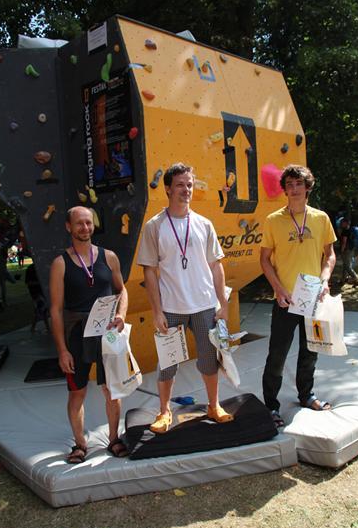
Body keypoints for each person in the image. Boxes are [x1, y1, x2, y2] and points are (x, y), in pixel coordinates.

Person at [137, 162, 233, 434]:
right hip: (171, 308)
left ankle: (214, 406)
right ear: (168, 189)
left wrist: (223, 303)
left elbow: (216, 265)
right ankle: (164, 411)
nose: (186, 190)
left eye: (189, 184)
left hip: (204, 306)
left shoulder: (204, 224)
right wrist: (157, 311)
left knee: (209, 359)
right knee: (168, 364)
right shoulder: (155, 226)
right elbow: (149, 271)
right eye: (180, 185)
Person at [49, 206, 128, 463]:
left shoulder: (109, 257)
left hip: (107, 334)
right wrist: (62, 350)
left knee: (111, 390)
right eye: (79, 223)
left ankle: (114, 438)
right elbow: (56, 310)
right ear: (68, 227)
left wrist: (121, 314)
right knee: (77, 392)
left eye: (89, 222)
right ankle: (80, 444)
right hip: (77, 334)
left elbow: (121, 290)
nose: (85, 227)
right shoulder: (61, 264)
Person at [260, 164, 337, 427]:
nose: (294, 189)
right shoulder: (273, 220)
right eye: (289, 185)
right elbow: (264, 260)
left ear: (307, 187)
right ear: (284, 189)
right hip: (285, 300)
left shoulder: (320, 218)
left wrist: (325, 280)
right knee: (277, 355)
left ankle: (307, 395)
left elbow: (330, 255)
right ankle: (271, 406)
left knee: (310, 351)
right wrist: (279, 289)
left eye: (298, 184)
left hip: (313, 298)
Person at [25, 263, 50, 332]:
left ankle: (44, 327)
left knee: (42, 310)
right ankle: (35, 328)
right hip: (36, 293)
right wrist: (40, 283)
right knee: (40, 310)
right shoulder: (31, 269)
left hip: (41, 292)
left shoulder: (41, 267)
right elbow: (28, 282)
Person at [339, 218, 358, 287]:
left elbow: (344, 242)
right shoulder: (351, 230)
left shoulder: (345, 231)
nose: (341, 224)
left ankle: (356, 278)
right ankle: (343, 280)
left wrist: (342, 250)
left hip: (346, 250)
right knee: (345, 265)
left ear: (346, 223)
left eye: (342, 223)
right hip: (351, 249)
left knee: (347, 266)